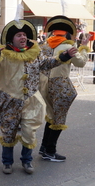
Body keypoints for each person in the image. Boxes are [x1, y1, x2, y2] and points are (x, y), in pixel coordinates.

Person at [0, 19, 77, 174]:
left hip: (31, 99)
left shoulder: (34, 52)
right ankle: (7, 162)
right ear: (11, 38)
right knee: (8, 132)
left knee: (29, 131)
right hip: (10, 99)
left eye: (25, 35)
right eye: (19, 35)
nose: (23, 38)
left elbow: (47, 63)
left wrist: (65, 56)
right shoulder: (3, 53)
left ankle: (27, 161)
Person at [39, 15, 90, 162]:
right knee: (59, 118)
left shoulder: (45, 45)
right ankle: (50, 150)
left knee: (51, 116)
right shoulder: (68, 46)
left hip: (44, 85)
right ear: (67, 33)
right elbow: (80, 63)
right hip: (60, 84)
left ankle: (44, 147)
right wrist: (84, 47)